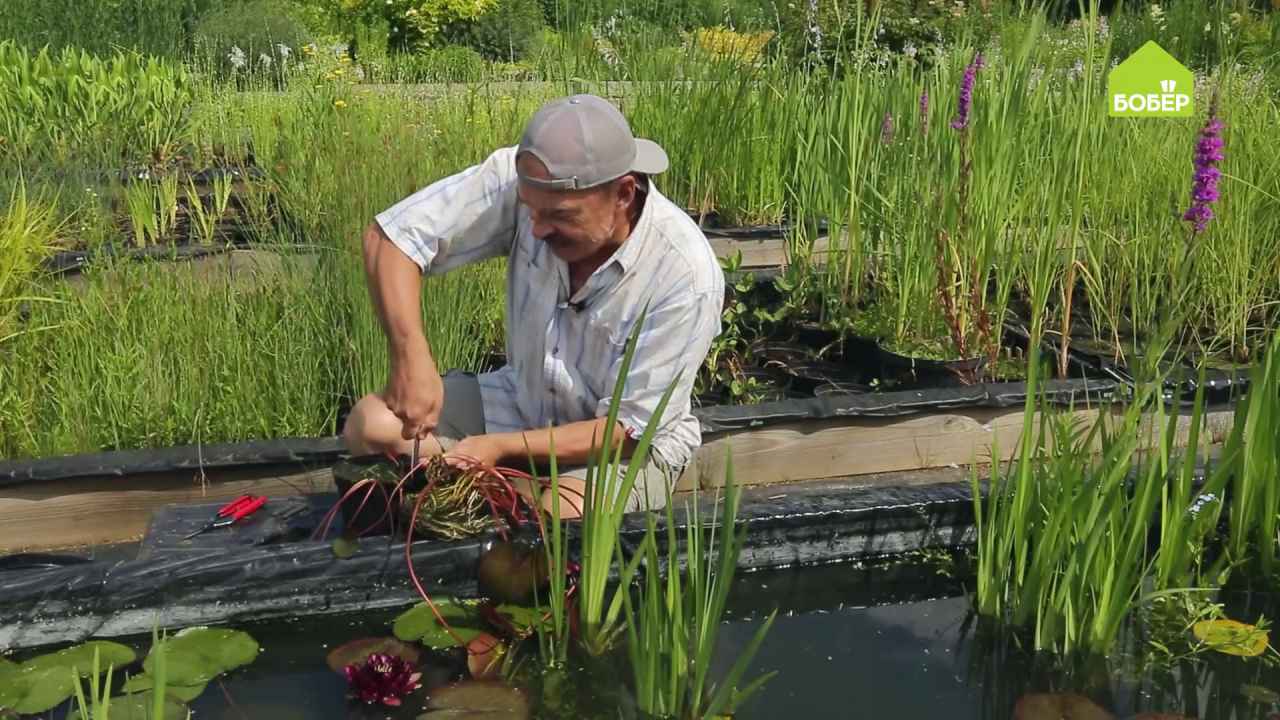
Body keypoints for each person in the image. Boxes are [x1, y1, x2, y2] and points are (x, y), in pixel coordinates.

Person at [341, 94, 725, 519]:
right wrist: (409, 356)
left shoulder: (684, 275)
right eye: (530, 211)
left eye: (559, 216)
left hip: (618, 447)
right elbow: (390, 239)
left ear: (623, 194)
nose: (536, 228)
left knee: (560, 520)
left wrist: (499, 447)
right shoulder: (522, 181)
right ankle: (511, 489)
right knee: (370, 427)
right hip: (526, 401)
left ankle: (515, 491)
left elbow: (630, 430)